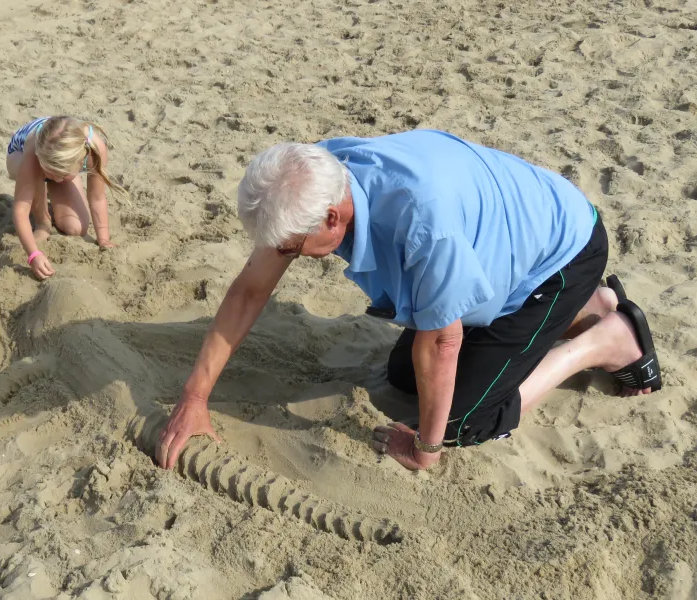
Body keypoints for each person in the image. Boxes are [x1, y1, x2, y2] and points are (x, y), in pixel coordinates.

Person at [155, 129, 663, 472]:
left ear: (333, 219)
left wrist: (424, 450)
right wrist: (194, 398)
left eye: (290, 249)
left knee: (461, 424)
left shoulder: (423, 223)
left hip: (560, 255)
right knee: (403, 378)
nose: (284, 257)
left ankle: (603, 340)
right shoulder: (309, 177)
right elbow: (249, 290)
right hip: (499, 248)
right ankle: (585, 307)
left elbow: (443, 343)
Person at [6, 116, 124, 280]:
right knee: (36, 174)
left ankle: (56, 175)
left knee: (76, 228)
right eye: (52, 174)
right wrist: (33, 255)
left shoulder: (95, 149)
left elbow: (97, 198)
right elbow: (20, 211)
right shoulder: (34, 153)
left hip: (56, 160)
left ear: (80, 161)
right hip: (19, 155)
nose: (57, 179)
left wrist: (103, 239)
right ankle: (42, 222)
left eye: (63, 175)